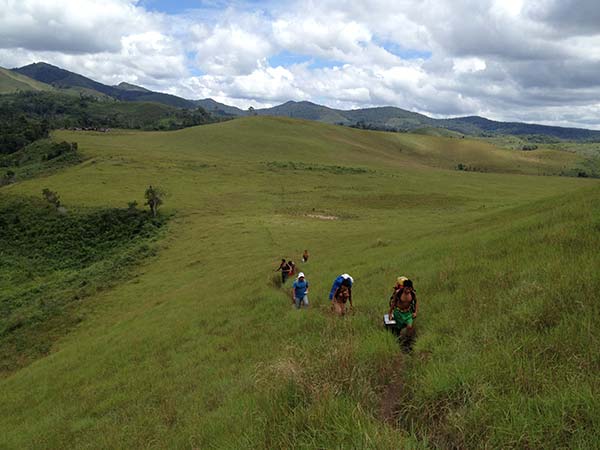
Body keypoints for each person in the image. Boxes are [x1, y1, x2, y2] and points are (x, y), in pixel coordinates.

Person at [388, 279, 418, 349]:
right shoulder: (398, 293)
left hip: (408, 313)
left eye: (409, 289)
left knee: (409, 327)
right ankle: (399, 341)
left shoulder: (412, 294)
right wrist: (390, 313)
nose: (408, 290)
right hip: (398, 313)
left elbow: (416, 303)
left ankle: (408, 341)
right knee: (398, 329)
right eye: (406, 288)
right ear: (403, 287)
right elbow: (393, 303)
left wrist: (415, 312)